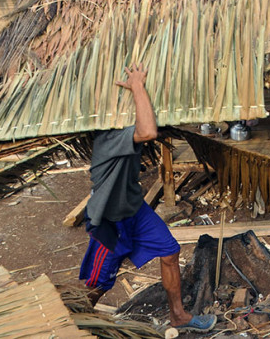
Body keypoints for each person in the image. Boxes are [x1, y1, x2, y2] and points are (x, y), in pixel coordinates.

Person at [79, 64, 216, 332]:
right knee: (99, 285)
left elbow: (154, 127)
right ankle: (74, 321)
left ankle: (178, 316)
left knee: (170, 251)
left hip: (135, 210)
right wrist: (138, 85)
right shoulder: (107, 139)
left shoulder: (124, 128)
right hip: (110, 222)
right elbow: (149, 132)